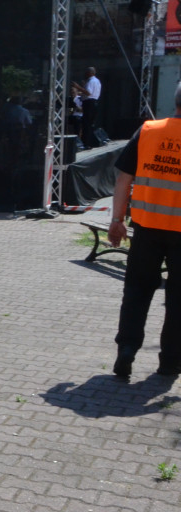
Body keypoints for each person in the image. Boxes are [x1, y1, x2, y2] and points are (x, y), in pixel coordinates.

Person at [108, 82, 181, 380]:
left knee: (137, 291)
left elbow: (123, 180)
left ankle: (127, 349)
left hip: (147, 228)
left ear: (175, 100)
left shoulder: (148, 131)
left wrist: (116, 220)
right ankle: (170, 363)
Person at [72, 67, 101, 148]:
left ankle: (86, 143)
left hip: (89, 102)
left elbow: (88, 92)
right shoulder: (97, 81)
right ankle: (89, 142)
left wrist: (78, 87)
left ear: (90, 73)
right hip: (94, 102)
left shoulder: (91, 81)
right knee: (90, 123)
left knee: (87, 123)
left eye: (86, 72)